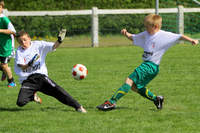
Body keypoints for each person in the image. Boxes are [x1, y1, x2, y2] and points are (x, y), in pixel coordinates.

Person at [97, 14, 199, 111]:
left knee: (129, 80)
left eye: (147, 26)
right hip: (149, 67)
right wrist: (126, 34)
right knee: (134, 87)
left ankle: (111, 102)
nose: (145, 28)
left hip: (150, 66)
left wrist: (192, 40)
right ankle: (157, 99)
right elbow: (134, 37)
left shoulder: (164, 35)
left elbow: (180, 36)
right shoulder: (146, 34)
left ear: (155, 26)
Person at [14, 29, 87, 113]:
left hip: (41, 77)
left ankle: (78, 106)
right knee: (20, 102)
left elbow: (53, 46)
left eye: (24, 40)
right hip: (28, 81)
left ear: (29, 38)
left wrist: (59, 40)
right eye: (20, 41)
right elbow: (22, 67)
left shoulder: (38, 45)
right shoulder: (19, 51)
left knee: (58, 91)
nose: (23, 43)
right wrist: (29, 64)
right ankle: (32, 96)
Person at [0, 0, 16, 87]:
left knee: (4, 65)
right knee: (3, 66)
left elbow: (13, 31)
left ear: (2, 8)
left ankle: (11, 82)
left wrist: (0, 30)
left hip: (6, 46)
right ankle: (4, 70)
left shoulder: (4, 19)